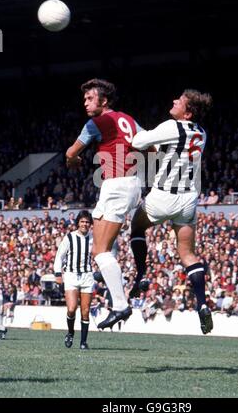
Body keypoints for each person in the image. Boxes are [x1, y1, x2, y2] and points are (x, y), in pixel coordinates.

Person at [65, 78, 153, 330]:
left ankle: (120, 305)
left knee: (100, 251)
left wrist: (73, 162)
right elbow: (149, 144)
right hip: (130, 183)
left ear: (103, 101)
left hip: (117, 184)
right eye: (84, 99)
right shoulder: (129, 120)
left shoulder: (96, 123)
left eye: (90, 98)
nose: (85, 102)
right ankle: (107, 275)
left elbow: (71, 153)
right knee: (101, 247)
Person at [130, 88, 214, 334]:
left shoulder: (171, 126)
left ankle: (142, 274)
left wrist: (141, 133)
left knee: (137, 225)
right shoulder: (201, 132)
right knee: (188, 254)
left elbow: (137, 142)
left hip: (164, 194)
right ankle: (201, 303)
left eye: (180, 100)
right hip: (188, 199)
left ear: (187, 112)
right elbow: (172, 153)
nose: (174, 100)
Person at [53, 210, 94, 350]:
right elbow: (59, 256)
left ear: (90, 224)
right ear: (78, 223)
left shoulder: (94, 238)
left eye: (87, 222)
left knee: (85, 311)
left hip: (87, 276)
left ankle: (83, 342)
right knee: (71, 309)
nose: (85, 224)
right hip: (71, 275)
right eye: (82, 221)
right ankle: (70, 333)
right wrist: (58, 274)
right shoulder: (69, 237)